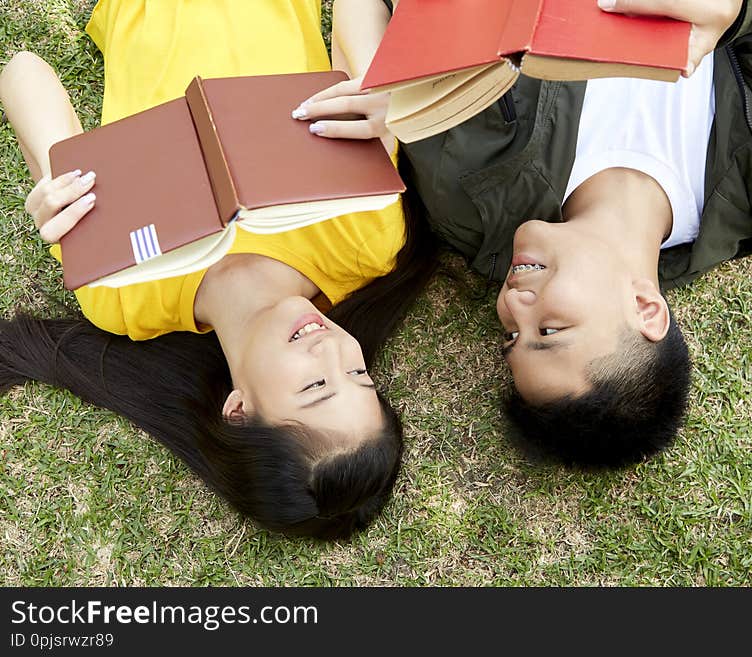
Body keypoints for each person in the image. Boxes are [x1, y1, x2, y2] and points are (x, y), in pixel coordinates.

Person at [294, 0, 752, 467]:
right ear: (645, 309)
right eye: (549, 331)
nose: (513, 306)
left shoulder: (472, 201)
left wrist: (392, 84)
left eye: (511, 337)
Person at [0, 0, 435, 539]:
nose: (334, 349)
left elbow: (23, 71)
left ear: (239, 410)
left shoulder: (122, 293)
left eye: (317, 385)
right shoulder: (366, 241)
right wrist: (379, 93)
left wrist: (53, 174)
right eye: (358, 374)